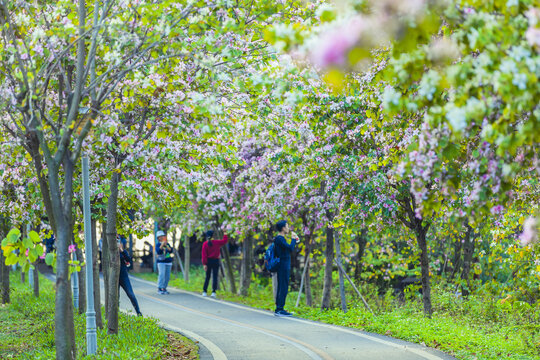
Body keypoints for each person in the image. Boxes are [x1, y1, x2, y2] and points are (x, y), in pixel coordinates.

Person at [273, 220, 299, 317]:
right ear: (283, 228)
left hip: (283, 265)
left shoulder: (280, 239)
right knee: (283, 287)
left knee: (282, 286)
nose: (288, 228)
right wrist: (293, 239)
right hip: (283, 265)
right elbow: (290, 248)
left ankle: (279, 308)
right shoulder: (280, 239)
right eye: (287, 226)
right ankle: (280, 309)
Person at [201, 230, 228, 298]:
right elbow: (224, 241)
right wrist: (225, 233)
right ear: (213, 236)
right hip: (216, 261)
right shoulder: (216, 242)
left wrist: (204, 264)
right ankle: (213, 292)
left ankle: (204, 291)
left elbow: (204, 255)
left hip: (208, 261)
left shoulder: (205, 244)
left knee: (207, 277)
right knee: (215, 277)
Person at [118, 240, 142, 316]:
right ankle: (116, 314)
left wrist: (122, 250)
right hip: (114, 277)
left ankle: (138, 312)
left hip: (123, 276)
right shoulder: (109, 252)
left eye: (119, 243)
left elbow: (129, 260)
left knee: (130, 294)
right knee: (115, 297)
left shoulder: (123, 252)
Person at [156, 230, 173, 294]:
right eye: (160, 236)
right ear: (158, 238)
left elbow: (171, 250)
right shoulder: (158, 244)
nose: (162, 237)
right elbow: (158, 251)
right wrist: (162, 245)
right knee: (161, 274)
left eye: (162, 236)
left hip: (168, 261)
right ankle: (160, 288)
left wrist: (166, 245)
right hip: (161, 262)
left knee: (167, 276)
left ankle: (164, 288)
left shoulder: (167, 244)